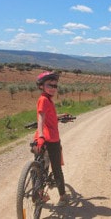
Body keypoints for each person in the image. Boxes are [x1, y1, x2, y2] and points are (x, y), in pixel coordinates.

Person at [32, 71, 69, 206]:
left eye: (55, 86)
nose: (53, 88)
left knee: (41, 167)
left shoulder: (47, 99)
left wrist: (61, 117)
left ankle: (39, 194)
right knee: (56, 168)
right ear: (41, 85)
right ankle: (63, 197)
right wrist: (41, 135)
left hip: (42, 138)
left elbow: (48, 116)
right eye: (50, 85)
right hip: (50, 139)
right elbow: (41, 117)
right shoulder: (43, 99)